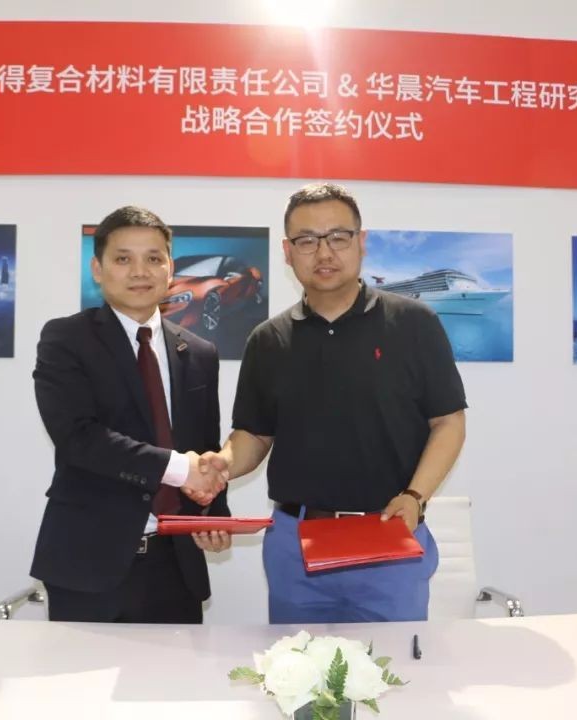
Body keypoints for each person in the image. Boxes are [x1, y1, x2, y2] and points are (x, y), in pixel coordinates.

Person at [201, 183, 467, 623]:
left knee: (393, 665)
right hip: (296, 542)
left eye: (338, 237)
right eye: (306, 240)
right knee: (294, 664)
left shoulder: (413, 323)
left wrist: (416, 496)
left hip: (388, 532)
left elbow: (449, 422)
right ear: (287, 252)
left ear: (361, 242)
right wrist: (222, 464)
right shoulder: (268, 340)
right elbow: (254, 434)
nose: (323, 252)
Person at [31, 205, 230, 624]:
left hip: (176, 568)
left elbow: (204, 446)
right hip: (88, 565)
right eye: (123, 259)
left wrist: (213, 515)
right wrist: (181, 469)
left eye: (154, 258)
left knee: (176, 671)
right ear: (98, 269)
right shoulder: (65, 339)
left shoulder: (199, 353)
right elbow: (78, 438)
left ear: (170, 268)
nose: (140, 271)